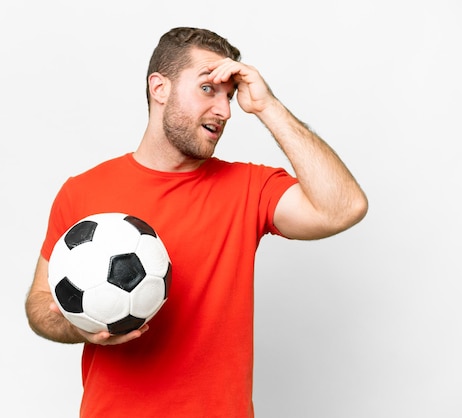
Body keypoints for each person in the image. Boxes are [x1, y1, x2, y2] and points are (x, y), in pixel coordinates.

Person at [25, 26, 368, 418]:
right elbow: (40, 305)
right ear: (160, 88)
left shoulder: (249, 187)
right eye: (208, 89)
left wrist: (268, 107)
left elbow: (343, 207)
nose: (224, 110)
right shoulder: (82, 191)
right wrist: (82, 328)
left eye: (230, 95)